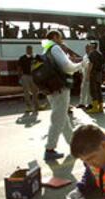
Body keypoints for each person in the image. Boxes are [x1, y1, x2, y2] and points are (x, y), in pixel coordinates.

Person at [42, 29, 82, 160]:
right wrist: (80, 65)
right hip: (60, 88)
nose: (62, 39)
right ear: (54, 37)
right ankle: (49, 148)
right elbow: (67, 67)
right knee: (58, 119)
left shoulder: (46, 49)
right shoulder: (55, 48)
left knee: (62, 116)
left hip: (51, 88)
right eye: (61, 37)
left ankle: (73, 144)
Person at [18, 46, 41, 113]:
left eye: (31, 49)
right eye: (28, 49)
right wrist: (20, 77)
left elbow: (40, 66)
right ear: (26, 50)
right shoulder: (22, 58)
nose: (30, 51)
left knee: (35, 92)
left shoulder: (35, 57)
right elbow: (19, 68)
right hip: (25, 76)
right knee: (26, 92)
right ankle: (29, 107)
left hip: (33, 76)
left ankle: (37, 106)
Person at [86, 41, 105, 113]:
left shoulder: (91, 54)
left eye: (90, 45)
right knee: (98, 90)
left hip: (93, 73)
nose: (89, 46)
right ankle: (101, 107)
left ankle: (95, 108)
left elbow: (91, 64)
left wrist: (88, 74)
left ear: (92, 46)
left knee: (93, 90)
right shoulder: (100, 54)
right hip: (99, 74)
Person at [77, 44, 92, 109]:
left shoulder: (91, 56)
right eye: (86, 48)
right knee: (83, 88)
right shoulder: (85, 56)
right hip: (84, 73)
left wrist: (88, 75)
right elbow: (82, 64)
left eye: (88, 48)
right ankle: (82, 103)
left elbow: (90, 65)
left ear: (91, 49)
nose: (86, 50)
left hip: (89, 74)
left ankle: (89, 104)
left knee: (89, 90)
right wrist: (81, 73)